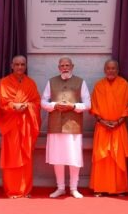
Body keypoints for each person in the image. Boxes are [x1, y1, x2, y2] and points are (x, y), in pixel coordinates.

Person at [41, 56, 91, 199]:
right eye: (62, 65)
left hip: (73, 126)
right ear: (59, 67)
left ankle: (74, 188)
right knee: (58, 158)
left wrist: (73, 106)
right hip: (55, 125)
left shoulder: (80, 82)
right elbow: (43, 101)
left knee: (73, 158)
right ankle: (61, 187)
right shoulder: (51, 82)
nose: (65, 68)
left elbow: (88, 104)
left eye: (67, 65)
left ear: (72, 66)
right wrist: (54, 105)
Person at [0, 55, 41, 198]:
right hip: (11, 126)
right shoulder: (4, 82)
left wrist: (28, 106)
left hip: (26, 126)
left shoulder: (31, 83)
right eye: (17, 64)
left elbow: (37, 103)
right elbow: (2, 103)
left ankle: (25, 189)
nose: (20, 67)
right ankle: (12, 190)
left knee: (26, 158)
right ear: (11, 65)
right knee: (12, 157)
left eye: (22, 64)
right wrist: (13, 106)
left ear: (26, 66)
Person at [89, 59, 128, 196]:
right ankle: (100, 188)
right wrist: (102, 121)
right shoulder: (98, 85)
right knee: (102, 158)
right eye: (108, 68)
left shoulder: (124, 85)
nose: (111, 71)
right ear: (104, 70)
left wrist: (118, 121)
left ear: (118, 70)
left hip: (119, 127)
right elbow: (94, 107)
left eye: (113, 68)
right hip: (102, 127)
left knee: (117, 157)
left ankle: (119, 188)